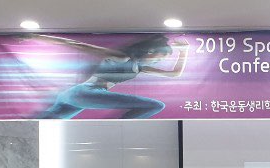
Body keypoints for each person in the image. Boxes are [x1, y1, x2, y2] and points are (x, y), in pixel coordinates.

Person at [35, 34, 189, 119]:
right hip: (85, 92)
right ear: (150, 51)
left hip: (73, 96)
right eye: (158, 58)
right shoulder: (122, 57)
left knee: (44, 122)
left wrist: (184, 51)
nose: (158, 62)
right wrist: (37, 37)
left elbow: (174, 73)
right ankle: (117, 128)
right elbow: (79, 45)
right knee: (156, 105)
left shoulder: (139, 67)